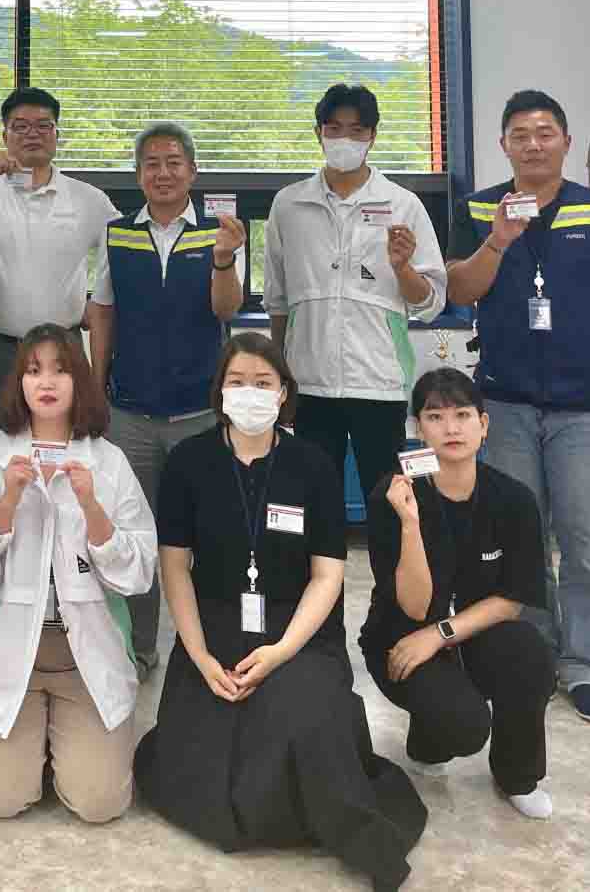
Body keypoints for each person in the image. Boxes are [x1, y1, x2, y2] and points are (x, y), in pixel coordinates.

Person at [134, 333, 425, 891]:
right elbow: (175, 569)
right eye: (237, 381)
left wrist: (282, 651)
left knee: (302, 718)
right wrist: (199, 656)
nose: (250, 393)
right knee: (211, 753)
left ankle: (365, 841)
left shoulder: (312, 465)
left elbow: (327, 574)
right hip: (214, 625)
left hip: (299, 627)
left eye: (263, 382)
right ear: (219, 391)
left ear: (284, 392)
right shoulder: (189, 462)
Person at [446, 89, 590, 726]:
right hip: (505, 401)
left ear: (566, 141)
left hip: (585, 406)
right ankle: (534, 656)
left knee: (584, 540)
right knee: (522, 537)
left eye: (545, 133)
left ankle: (583, 664)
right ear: (503, 145)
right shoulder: (477, 207)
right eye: (520, 135)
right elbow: (459, 288)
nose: (533, 144)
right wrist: (499, 241)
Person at [0, 323, 156, 823]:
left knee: (100, 804)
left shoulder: (108, 462)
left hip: (85, 659)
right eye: (34, 370)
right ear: (18, 381)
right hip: (9, 651)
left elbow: (139, 573)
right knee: (0, 801)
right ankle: (31, 748)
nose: (46, 382)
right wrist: (6, 502)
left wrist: (91, 507)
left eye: (61, 370)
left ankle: (56, 743)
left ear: (79, 381)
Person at [86, 121, 246, 681]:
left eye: (174, 162)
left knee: (210, 533)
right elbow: (102, 311)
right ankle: (140, 647)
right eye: (151, 164)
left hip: (200, 411)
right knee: (134, 537)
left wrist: (223, 259)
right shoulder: (117, 234)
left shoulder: (218, 233)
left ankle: (212, 646)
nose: (163, 173)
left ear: (192, 172)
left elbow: (227, 310)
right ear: (138, 175)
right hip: (130, 412)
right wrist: (96, 387)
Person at [361, 367, 556, 819]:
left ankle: (518, 776)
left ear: (483, 425)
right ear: (417, 429)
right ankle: (428, 741)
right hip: (402, 639)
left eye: (463, 415)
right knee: (464, 727)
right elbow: (414, 608)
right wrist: (410, 523)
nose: (451, 428)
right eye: (435, 417)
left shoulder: (514, 499)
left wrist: (441, 634)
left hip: (469, 631)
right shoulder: (392, 495)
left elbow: (512, 600)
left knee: (531, 654)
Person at [264, 83, 446, 506]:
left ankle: (390, 557)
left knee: (388, 503)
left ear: (373, 137)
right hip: (309, 383)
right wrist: (282, 380)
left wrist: (402, 267)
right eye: (334, 128)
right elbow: (278, 302)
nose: (345, 139)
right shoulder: (289, 205)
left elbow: (431, 303)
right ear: (318, 133)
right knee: (313, 505)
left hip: (379, 383)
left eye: (357, 130)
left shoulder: (403, 205)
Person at [0, 87, 119, 444]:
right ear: (5, 137)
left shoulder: (88, 199)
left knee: (69, 445)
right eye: (20, 126)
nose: (33, 134)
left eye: (43, 125)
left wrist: (97, 304)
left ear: (57, 135)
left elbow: (125, 251)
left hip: (64, 347)